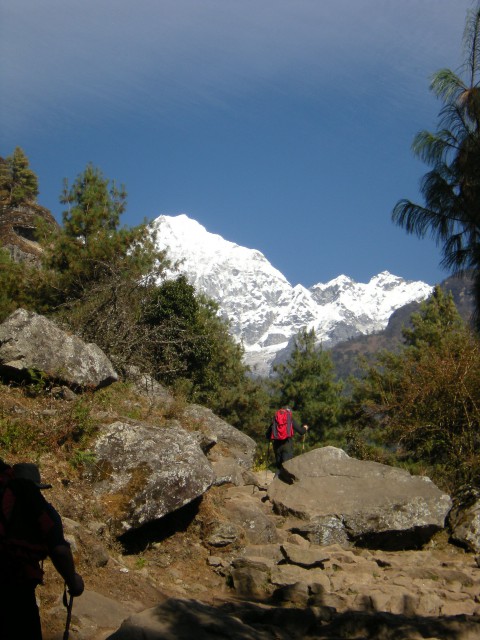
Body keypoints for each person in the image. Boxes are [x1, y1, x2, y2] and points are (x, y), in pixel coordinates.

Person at [0, 460, 84, 640]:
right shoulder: (41, 509)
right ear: (37, 486)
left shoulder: (3, 499)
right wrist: (73, 581)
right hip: (18, 585)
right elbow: (59, 550)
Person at [267, 407, 308, 476]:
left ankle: (275, 484)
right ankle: (281, 484)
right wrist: (305, 427)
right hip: (287, 444)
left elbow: (267, 435)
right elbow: (301, 431)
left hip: (277, 446)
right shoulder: (289, 419)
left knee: (279, 467)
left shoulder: (275, 419)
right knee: (287, 467)